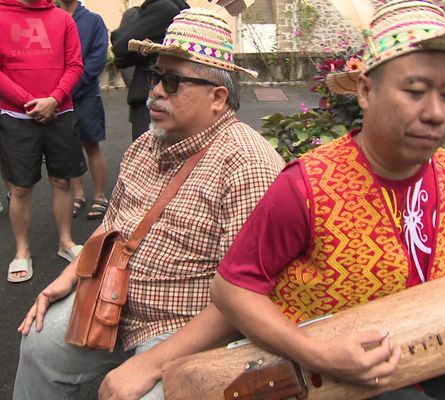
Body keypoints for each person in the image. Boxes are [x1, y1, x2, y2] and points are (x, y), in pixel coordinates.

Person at [210, 1, 445, 399]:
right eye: (415, 91)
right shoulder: (306, 186)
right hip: (336, 386)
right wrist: (316, 353)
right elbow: (231, 289)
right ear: (365, 90)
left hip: (442, 376)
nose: (436, 112)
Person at [13, 8, 284, 400]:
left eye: (172, 82)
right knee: (38, 342)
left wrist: (151, 363)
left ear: (217, 97)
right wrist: (69, 277)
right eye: (156, 76)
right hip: (109, 298)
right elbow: (111, 225)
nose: (154, 91)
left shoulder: (249, 168)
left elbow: (245, 297)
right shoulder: (144, 145)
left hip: (184, 326)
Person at [0, 0, 86, 283]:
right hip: (15, 115)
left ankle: (66, 242)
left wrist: (54, 99)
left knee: (62, 180)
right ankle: (22, 250)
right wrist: (30, 103)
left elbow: (75, 65)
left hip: (60, 112)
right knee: (21, 187)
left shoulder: (63, 19)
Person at [58, 0, 110, 220]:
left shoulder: (93, 20)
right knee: (70, 147)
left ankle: (100, 195)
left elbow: (96, 60)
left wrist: (69, 87)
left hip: (85, 95)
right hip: (59, 97)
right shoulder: (52, 17)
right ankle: (78, 194)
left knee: (91, 144)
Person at [111, 0, 189, 141]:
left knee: (146, 157)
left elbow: (120, 45)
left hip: (149, 99)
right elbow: (121, 57)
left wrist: (143, 48)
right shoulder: (184, 11)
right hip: (173, 97)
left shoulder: (164, 8)